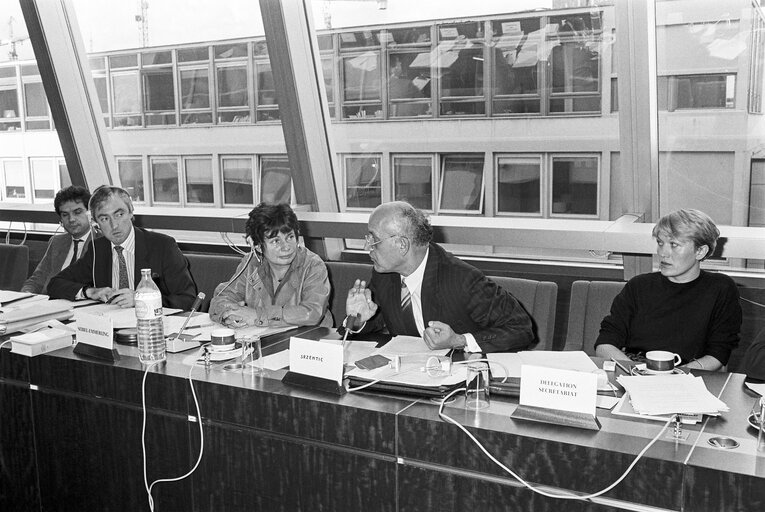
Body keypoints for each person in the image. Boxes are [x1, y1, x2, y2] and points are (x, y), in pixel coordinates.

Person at [345, 201, 534, 353]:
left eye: (373, 240)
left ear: (402, 245)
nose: (366, 247)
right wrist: (357, 320)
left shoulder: (462, 279)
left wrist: (459, 341)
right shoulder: (384, 275)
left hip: (462, 380)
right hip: (409, 377)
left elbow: (521, 328)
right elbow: (378, 320)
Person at [595, 209, 742, 371]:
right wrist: (637, 373)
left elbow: (718, 354)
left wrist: (675, 376)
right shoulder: (638, 286)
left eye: (674, 245)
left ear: (700, 251)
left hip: (689, 377)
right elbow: (605, 344)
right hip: (634, 372)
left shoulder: (721, 288)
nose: (663, 253)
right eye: (660, 243)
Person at [47, 185, 197, 310]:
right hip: (111, 328)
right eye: (104, 218)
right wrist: (90, 292)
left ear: (131, 212)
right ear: (95, 223)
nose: (114, 225)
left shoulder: (162, 246)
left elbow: (188, 299)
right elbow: (55, 284)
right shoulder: (98, 249)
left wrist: (142, 301)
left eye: (119, 214)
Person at [209, 203, 332, 329]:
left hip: (308, 340)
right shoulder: (251, 264)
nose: (286, 247)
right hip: (264, 339)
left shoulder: (313, 265)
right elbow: (221, 298)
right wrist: (229, 315)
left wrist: (258, 316)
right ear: (257, 246)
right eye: (276, 241)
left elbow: (312, 313)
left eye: (290, 237)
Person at [22, 186, 94, 294]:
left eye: (77, 212)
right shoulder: (57, 242)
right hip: (49, 302)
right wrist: (27, 295)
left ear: (90, 213)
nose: (71, 219)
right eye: (65, 215)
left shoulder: (101, 243)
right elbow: (37, 279)